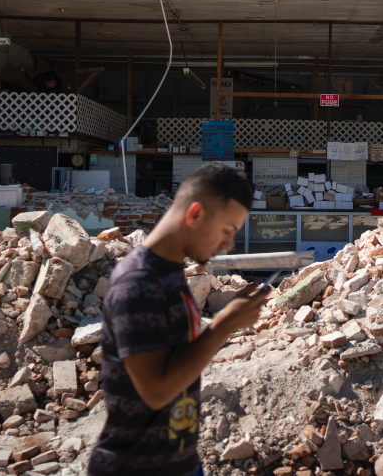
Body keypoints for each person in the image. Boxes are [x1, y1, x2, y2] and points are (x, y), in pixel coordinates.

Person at [89, 164, 271, 476]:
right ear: (196, 214)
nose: (229, 243)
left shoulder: (169, 272)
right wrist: (224, 326)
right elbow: (156, 391)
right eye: (227, 230)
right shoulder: (138, 282)